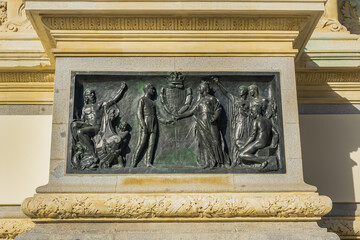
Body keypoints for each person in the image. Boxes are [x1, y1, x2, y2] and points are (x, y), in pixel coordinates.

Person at [71, 82, 126, 168]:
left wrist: (121, 89)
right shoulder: (84, 108)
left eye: (93, 93)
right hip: (88, 126)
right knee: (74, 124)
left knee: (80, 132)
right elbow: (82, 120)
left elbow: (113, 100)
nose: (92, 95)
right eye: (90, 94)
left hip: (97, 128)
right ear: (86, 97)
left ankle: (94, 156)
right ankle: (79, 148)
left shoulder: (100, 104)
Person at [176, 81, 228, 169]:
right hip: (201, 122)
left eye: (200, 87)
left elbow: (218, 109)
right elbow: (191, 111)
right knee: (204, 142)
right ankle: (208, 162)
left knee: (216, 141)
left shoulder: (212, 99)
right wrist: (179, 116)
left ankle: (219, 162)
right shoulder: (199, 101)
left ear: (204, 88)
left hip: (210, 121)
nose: (199, 89)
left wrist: (215, 117)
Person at [132, 83, 174, 168]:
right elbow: (139, 113)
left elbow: (158, 115)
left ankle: (148, 162)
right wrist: (143, 125)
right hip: (146, 122)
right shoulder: (142, 99)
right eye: (152, 89)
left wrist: (167, 121)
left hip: (154, 123)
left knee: (151, 144)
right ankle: (134, 162)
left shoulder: (153, 103)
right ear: (147, 89)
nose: (154, 91)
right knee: (142, 143)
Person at [213, 77, 250, 163]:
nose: (239, 91)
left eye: (241, 89)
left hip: (245, 124)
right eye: (239, 89)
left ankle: (243, 160)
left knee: (242, 141)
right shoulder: (235, 100)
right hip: (237, 123)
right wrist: (218, 83)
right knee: (235, 140)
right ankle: (236, 160)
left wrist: (243, 111)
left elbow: (250, 115)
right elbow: (226, 93)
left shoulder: (248, 103)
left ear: (245, 91)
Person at [236, 100, 279, 168]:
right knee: (238, 141)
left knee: (241, 154)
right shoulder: (268, 121)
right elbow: (276, 133)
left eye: (252, 112)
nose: (252, 114)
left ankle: (262, 161)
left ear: (256, 112)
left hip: (259, 142)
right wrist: (273, 145)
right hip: (265, 142)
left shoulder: (256, 121)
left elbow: (252, 136)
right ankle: (250, 160)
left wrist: (244, 146)